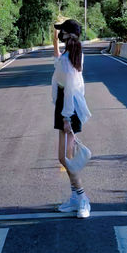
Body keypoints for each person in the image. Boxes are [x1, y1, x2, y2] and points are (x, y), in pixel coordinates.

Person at [52, 18, 91, 218]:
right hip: (66, 105)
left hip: (69, 107)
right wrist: (53, 41)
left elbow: (68, 90)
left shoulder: (69, 60)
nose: (59, 34)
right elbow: (58, 62)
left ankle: (83, 198)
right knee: (63, 157)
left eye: (61, 32)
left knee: (65, 157)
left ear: (67, 36)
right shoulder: (72, 55)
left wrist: (66, 118)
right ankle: (75, 197)